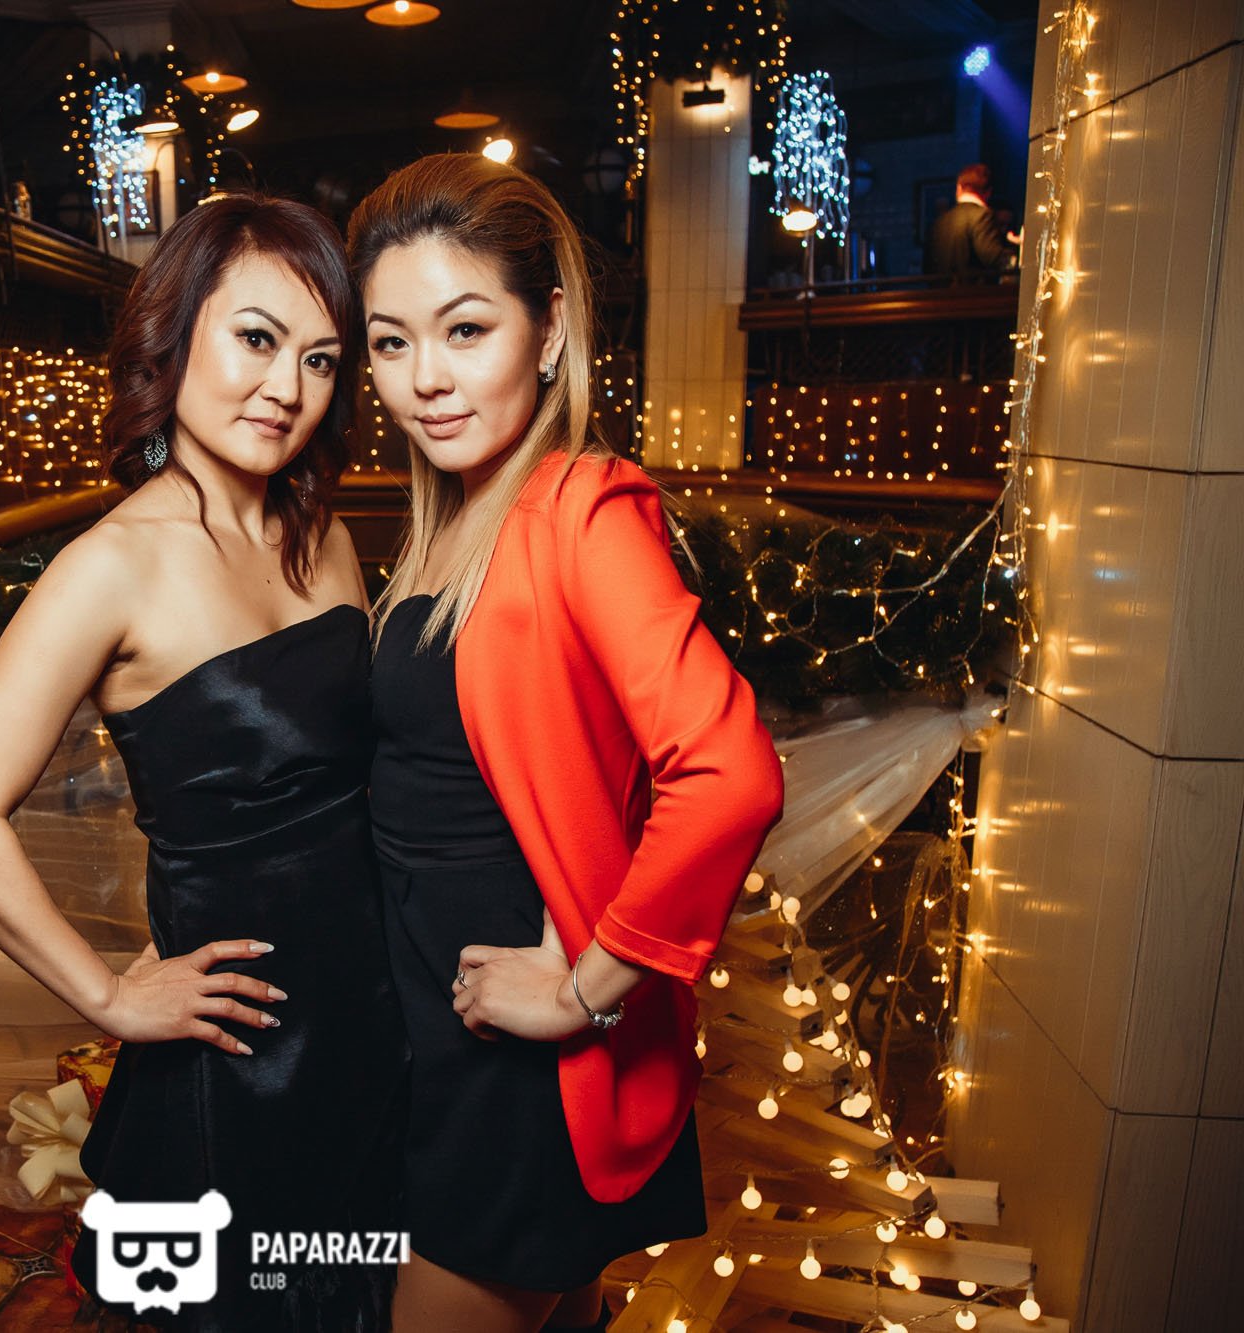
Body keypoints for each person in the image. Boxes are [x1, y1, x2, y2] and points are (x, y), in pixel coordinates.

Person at [0, 194, 406, 1331]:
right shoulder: (112, 564)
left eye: (319, 359)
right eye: (256, 338)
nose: (285, 387)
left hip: (375, 1016)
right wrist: (105, 995)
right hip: (239, 1048)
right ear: (173, 335)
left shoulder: (324, 534)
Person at [348, 154, 785, 1333]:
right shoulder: (444, 522)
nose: (423, 378)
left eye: (464, 329)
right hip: (442, 1030)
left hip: (515, 1062)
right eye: (389, 342)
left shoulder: (580, 505)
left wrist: (586, 992)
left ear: (547, 333)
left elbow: (728, 772)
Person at [923, 163, 1015, 277]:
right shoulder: (982, 215)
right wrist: (1018, 258)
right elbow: (992, 257)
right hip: (974, 287)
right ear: (988, 192)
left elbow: (927, 266)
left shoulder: (939, 221)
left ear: (959, 188)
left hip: (939, 287)